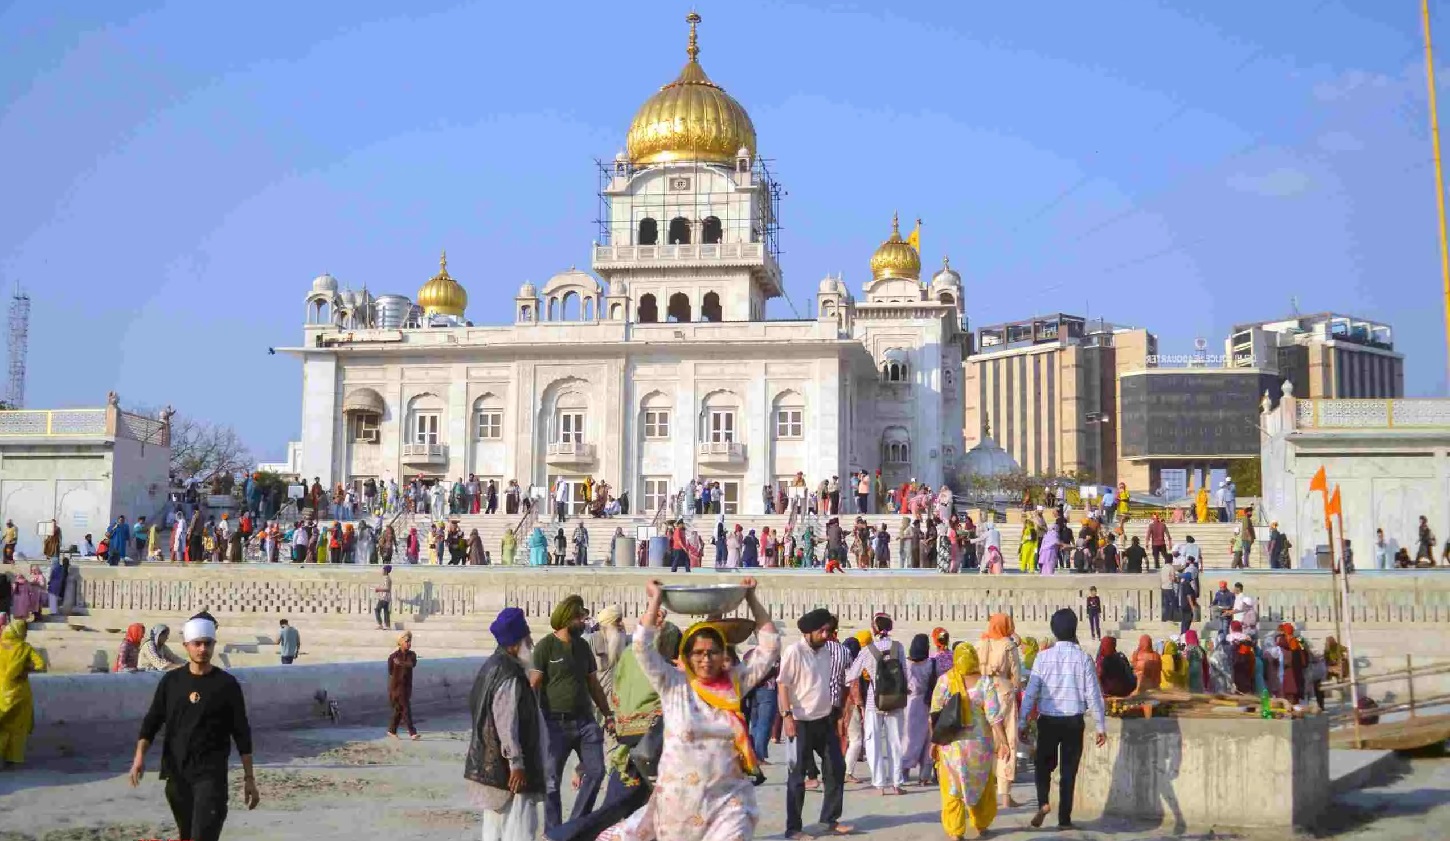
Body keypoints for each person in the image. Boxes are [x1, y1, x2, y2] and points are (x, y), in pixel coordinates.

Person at [598, 577, 778, 841]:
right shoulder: (673, 684)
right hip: (678, 804)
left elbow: (769, 647)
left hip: (728, 801)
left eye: (713, 652)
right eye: (699, 653)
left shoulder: (734, 682)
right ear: (686, 655)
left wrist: (750, 597)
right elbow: (641, 647)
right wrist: (655, 600)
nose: (706, 659)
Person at [132, 612, 260, 840]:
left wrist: (249, 778)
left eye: (207, 643)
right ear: (186, 646)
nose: (202, 649)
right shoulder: (171, 682)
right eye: (197, 644)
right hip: (176, 778)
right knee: (187, 836)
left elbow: (242, 733)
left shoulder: (227, 685)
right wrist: (139, 758)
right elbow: (152, 722)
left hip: (211, 778)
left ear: (214, 645)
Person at [532, 595, 615, 830]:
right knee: (551, 781)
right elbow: (534, 683)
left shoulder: (582, 647)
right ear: (569, 619)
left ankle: (575, 826)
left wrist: (607, 713)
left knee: (597, 771)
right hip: (554, 724)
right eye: (580, 618)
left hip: (585, 722)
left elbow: (593, 684)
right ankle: (554, 831)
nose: (584, 622)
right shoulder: (545, 646)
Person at [1020, 609, 1107, 830]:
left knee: (1043, 765)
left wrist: (1022, 722)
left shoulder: (1043, 657)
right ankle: (1065, 820)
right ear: (1075, 629)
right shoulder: (1084, 658)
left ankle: (1043, 802)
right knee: (1069, 771)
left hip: (1048, 719)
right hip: (1073, 721)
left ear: (1053, 630)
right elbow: (1093, 695)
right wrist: (1100, 725)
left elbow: (1031, 692)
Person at [467, 607, 546, 841]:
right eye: (527, 637)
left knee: (496, 827)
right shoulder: (509, 673)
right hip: (508, 769)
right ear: (515, 643)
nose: (531, 642)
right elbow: (506, 722)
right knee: (518, 826)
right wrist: (516, 763)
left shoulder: (491, 666)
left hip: (491, 764)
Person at [778, 608, 852, 840]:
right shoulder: (794, 651)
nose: (826, 634)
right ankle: (794, 828)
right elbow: (783, 685)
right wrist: (786, 716)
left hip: (824, 719)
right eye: (822, 630)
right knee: (797, 776)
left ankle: (830, 819)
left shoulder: (827, 652)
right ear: (809, 631)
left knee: (836, 768)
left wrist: (838, 714)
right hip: (799, 722)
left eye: (828, 630)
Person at [932, 642, 1009, 840]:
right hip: (979, 747)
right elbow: (994, 717)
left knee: (952, 787)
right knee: (982, 786)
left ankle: (956, 831)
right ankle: (982, 824)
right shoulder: (985, 683)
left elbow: (935, 714)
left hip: (952, 746)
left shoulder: (945, 681)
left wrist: (933, 743)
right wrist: (1004, 742)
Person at [846, 612, 908, 795]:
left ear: (875, 628)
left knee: (873, 743)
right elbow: (904, 672)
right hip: (895, 700)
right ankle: (897, 783)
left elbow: (852, 675)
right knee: (895, 742)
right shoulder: (899, 647)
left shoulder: (868, 650)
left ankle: (879, 784)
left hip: (874, 702)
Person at [977, 613, 1023, 810]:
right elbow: (1016, 675)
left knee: (986, 740)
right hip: (1003, 692)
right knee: (1008, 740)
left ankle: (983, 791)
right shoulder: (1008, 645)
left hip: (982, 692)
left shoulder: (980, 643)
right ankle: (1005, 795)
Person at [0, 621, 45, 766]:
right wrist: (25, 670)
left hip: (1, 691)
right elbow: (41, 665)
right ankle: (13, 758)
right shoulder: (25, 648)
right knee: (17, 726)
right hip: (19, 691)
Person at [901, 633, 935, 786]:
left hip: (909, 705)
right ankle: (924, 776)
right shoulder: (932, 664)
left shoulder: (905, 664)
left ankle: (903, 773)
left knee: (908, 738)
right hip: (928, 704)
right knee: (927, 740)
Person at [388, 631, 419, 739]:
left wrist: (400, 663)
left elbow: (411, 664)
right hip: (396, 688)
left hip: (406, 687)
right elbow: (391, 671)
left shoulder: (412, 655)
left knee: (399, 710)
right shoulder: (392, 657)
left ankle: (392, 730)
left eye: (410, 641)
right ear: (400, 642)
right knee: (405, 709)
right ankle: (412, 732)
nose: (409, 643)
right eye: (406, 641)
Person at [375, 565, 393, 630]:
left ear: (386, 571)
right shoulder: (386, 578)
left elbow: (388, 589)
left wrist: (379, 590)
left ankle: (380, 624)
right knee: (386, 611)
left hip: (384, 598)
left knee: (377, 609)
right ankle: (387, 626)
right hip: (385, 598)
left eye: (383, 570)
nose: (382, 571)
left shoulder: (387, 579)